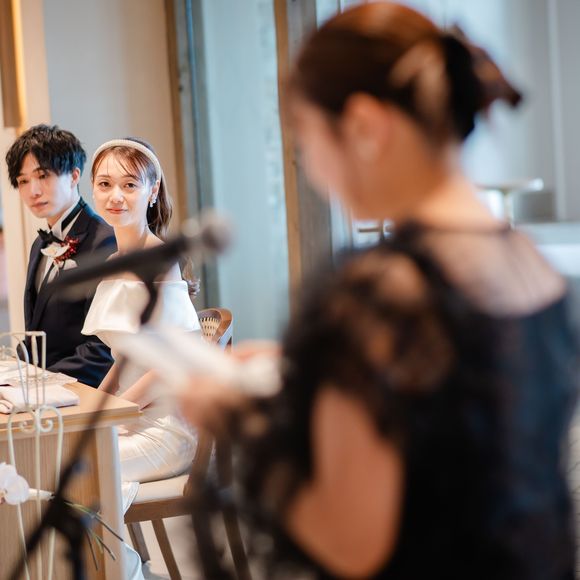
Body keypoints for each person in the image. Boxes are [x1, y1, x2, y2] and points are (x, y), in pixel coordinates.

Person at [178, 3, 578, 579]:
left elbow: (348, 539)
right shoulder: (530, 264)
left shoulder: (380, 293)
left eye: (307, 139)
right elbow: (453, 407)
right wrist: (307, 369)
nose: (311, 167)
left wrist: (236, 419)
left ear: (364, 125)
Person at [82, 137, 200, 486]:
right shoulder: (114, 261)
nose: (115, 196)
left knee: (68, 468)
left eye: (130, 185)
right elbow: (127, 358)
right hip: (130, 416)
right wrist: (94, 408)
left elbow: (172, 361)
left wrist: (112, 414)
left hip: (163, 428)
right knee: (53, 449)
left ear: (152, 190)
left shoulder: (160, 261)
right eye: (105, 184)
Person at [5, 124, 116, 386]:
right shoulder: (39, 244)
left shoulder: (104, 241)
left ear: (74, 175)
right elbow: (36, 334)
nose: (33, 191)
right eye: (23, 181)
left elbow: (103, 347)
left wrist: (42, 383)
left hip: (84, 392)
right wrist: (13, 370)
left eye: (43, 175)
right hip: (42, 393)